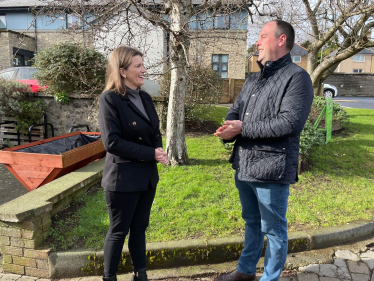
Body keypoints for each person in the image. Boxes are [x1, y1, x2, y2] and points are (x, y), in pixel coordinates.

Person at [214, 20, 314, 281]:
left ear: (281, 40)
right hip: (244, 165)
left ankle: (270, 278)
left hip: (272, 168)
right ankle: (245, 272)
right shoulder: (253, 79)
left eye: (262, 36)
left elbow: (289, 123)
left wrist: (241, 127)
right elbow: (235, 110)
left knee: (273, 230)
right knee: (251, 223)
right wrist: (228, 127)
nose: (257, 42)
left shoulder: (297, 77)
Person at [99, 46, 168, 281]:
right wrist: (151, 153)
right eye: (137, 66)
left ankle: (141, 275)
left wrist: (159, 150)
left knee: (139, 229)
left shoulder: (145, 97)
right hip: (122, 179)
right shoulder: (110, 99)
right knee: (118, 232)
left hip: (147, 177)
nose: (143, 70)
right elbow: (112, 142)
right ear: (122, 71)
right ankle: (109, 278)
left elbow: (154, 131)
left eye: (142, 65)